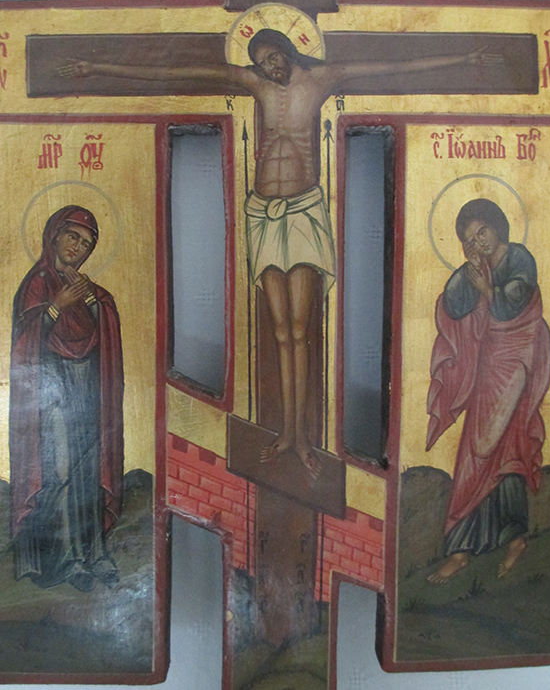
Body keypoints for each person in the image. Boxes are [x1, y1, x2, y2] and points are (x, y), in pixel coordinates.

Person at [59, 29, 495, 477]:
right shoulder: (256, 84)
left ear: (287, 51)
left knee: (301, 330)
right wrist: (99, 67)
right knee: (280, 330)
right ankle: (287, 433)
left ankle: (301, 435)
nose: (270, 68)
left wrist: (462, 60)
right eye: (262, 62)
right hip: (262, 213)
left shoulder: (321, 79)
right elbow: (184, 71)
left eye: (273, 57)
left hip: (303, 211)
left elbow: (390, 67)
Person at [426, 199, 550, 583]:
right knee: (476, 449)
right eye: (469, 239)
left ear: (497, 227)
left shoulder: (519, 258)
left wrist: (487, 288)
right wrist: (468, 275)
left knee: (503, 444)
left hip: (517, 359)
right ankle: (462, 548)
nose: (478, 242)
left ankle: (514, 539)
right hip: (489, 363)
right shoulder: (476, 268)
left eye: (482, 232)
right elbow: (453, 303)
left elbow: (513, 304)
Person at [9, 206, 124, 592]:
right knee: (59, 470)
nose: (78, 247)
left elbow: (105, 324)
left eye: (87, 243)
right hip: (52, 386)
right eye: (73, 236)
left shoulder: (91, 290)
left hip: (86, 383)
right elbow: (26, 338)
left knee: (89, 470)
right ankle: (67, 559)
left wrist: (92, 301)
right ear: (55, 235)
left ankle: (95, 553)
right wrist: (57, 304)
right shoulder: (37, 283)